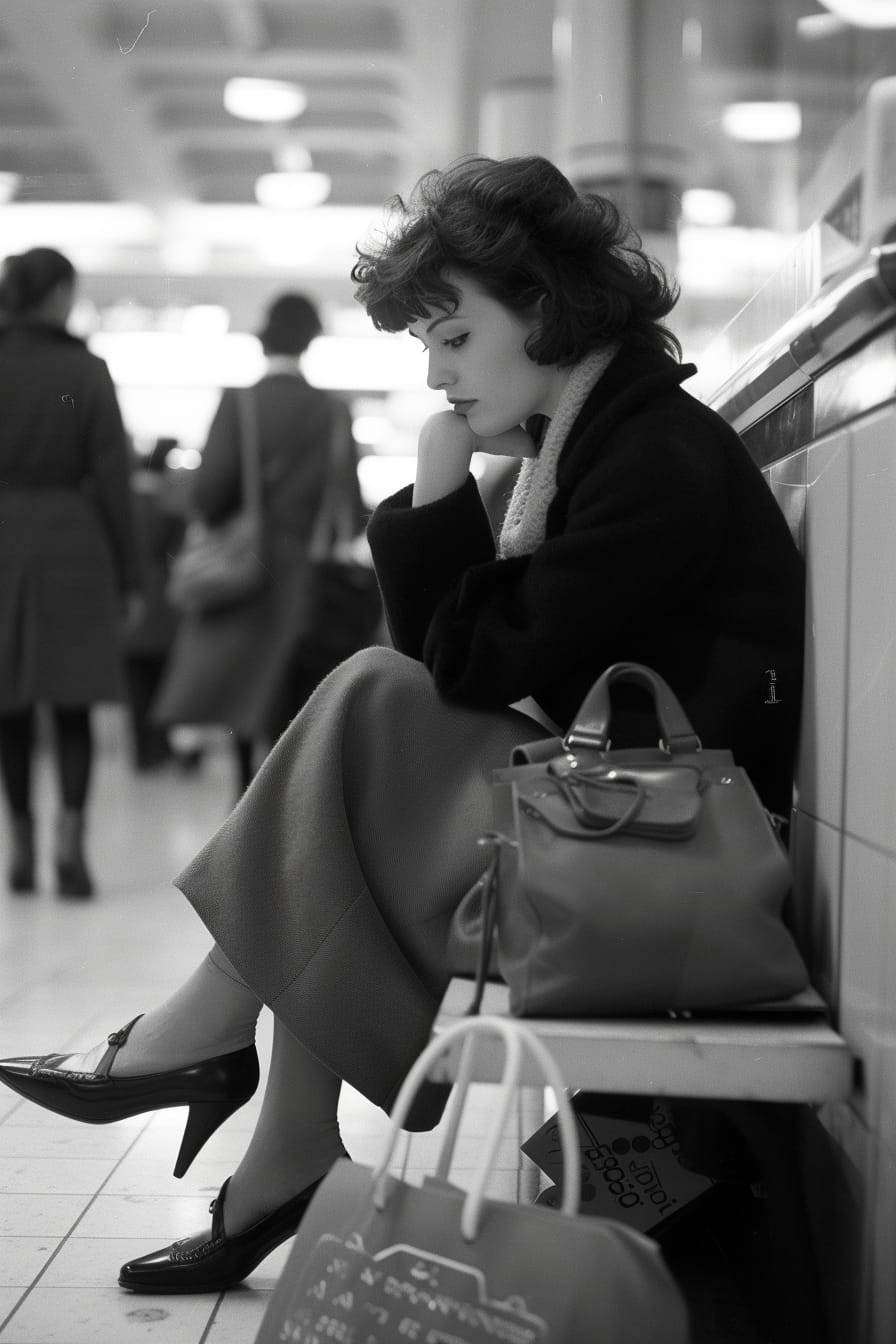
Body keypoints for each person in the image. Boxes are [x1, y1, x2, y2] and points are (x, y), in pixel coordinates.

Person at [0, 156, 805, 1292]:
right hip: (630, 831)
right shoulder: (597, 439)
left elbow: (464, 672)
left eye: (451, 338)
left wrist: (437, 479)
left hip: (668, 867)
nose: (435, 374)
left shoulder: (649, 458)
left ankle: (211, 1058)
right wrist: (450, 487)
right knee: (363, 734)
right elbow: (465, 665)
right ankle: (267, 1133)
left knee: (368, 703)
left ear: (539, 303)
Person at [151, 292, 344, 795]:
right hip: (305, 571)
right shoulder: (332, 410)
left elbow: (211, 491)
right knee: (290, 695)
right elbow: (349, 500)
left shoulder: (241, 402)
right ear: (310, 341)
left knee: (242, 690)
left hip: (247, 567)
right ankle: (286, 803)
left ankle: (245, 797)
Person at [0, 246, 142, 897]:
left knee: (8, 707)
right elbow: (113, 479)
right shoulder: (85, 369)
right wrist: (132, 576)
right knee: (72, 702)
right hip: (71, 544)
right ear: (57, 293)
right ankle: (70, 849)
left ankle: (21, 849)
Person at [121, 438, 187, 770]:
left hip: (131, 610)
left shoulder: (123, 507)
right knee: (163, 688)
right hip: (164, 608)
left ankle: (142, 755)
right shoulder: (169, 507)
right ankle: (162, 749)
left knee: (136, 691)